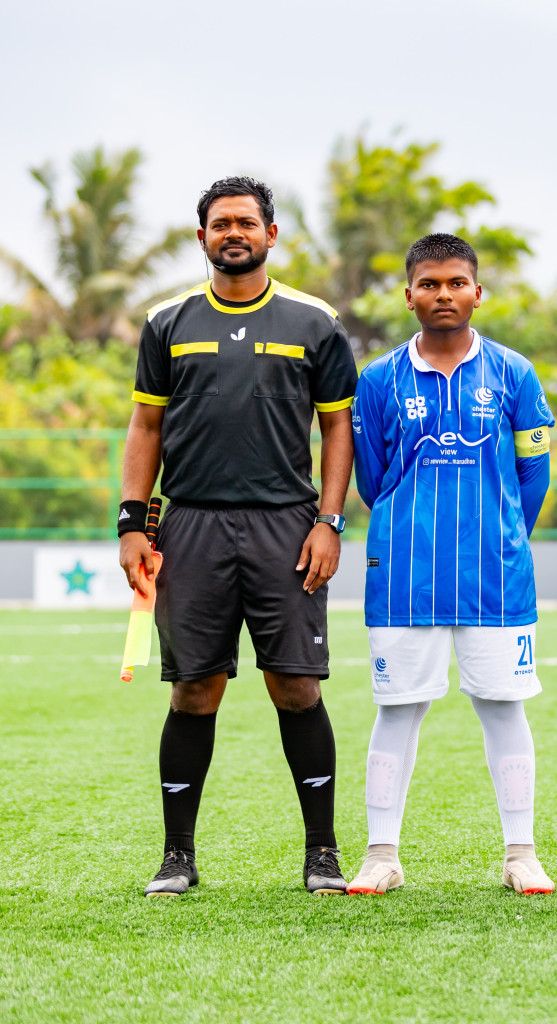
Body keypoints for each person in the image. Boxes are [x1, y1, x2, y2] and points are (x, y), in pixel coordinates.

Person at [119, 176, 358, 896]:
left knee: (295, 687)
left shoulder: (314, 322)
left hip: (285, 525)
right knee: (194, 690)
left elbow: (337, 426)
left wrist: (329, 518)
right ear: (202, 238)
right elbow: (146, 426)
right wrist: (134, 521)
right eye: (220, 223)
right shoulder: (168, 322)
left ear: (271, 234)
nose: (233, 233)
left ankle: (322, 854)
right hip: (188, 522)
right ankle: (177, 857)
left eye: (246, 222)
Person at [346, 234, 556, 896]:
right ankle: (382, 854)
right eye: (430, 284)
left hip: (495, 576)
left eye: (456, 283)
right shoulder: (379, 380)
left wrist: (497, 533)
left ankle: (520, 853)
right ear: (408, 295)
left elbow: (534, 475)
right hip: (404, 575)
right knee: (398, 709)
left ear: (477, 293)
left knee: (503, 707)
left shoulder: (515, 375)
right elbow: (373, 480)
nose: (444, 294)